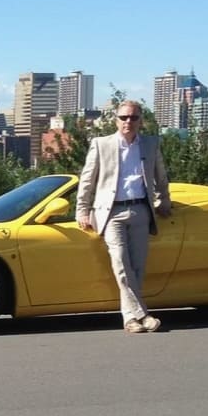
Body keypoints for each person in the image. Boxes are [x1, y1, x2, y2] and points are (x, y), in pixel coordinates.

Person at [76, 99, 171, 333]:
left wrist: (164, 200)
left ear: (141, 121)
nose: (128, 122)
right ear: (116, 120)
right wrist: (82, 209)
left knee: (137, 266)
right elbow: (87, 180)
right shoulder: (102, 144)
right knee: (120, 262)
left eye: (133, 118)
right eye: (123, 117)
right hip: (111, 212)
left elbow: (161, 175)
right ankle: (142, 315)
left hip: (140, 210)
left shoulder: (150, 144)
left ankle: (130, 320)